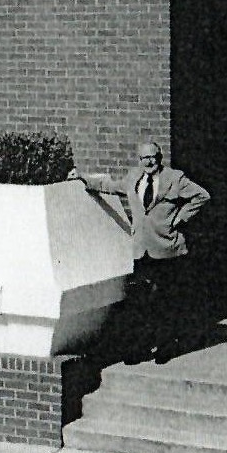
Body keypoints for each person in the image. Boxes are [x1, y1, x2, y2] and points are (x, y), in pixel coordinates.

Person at [71, 141, 210, 364]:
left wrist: (179, 217)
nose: (149, 161)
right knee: (140, 302)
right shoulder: (133, 178)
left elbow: (201, 196)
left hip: (167, 250)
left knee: (165, 301)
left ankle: (165, 347)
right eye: (145, 158)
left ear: (160, 157)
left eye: (153, 157)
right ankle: (141, 348)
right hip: (142, 251)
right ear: (139, 160)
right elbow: (109, 185)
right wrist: (83, 178)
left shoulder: (174, 179)